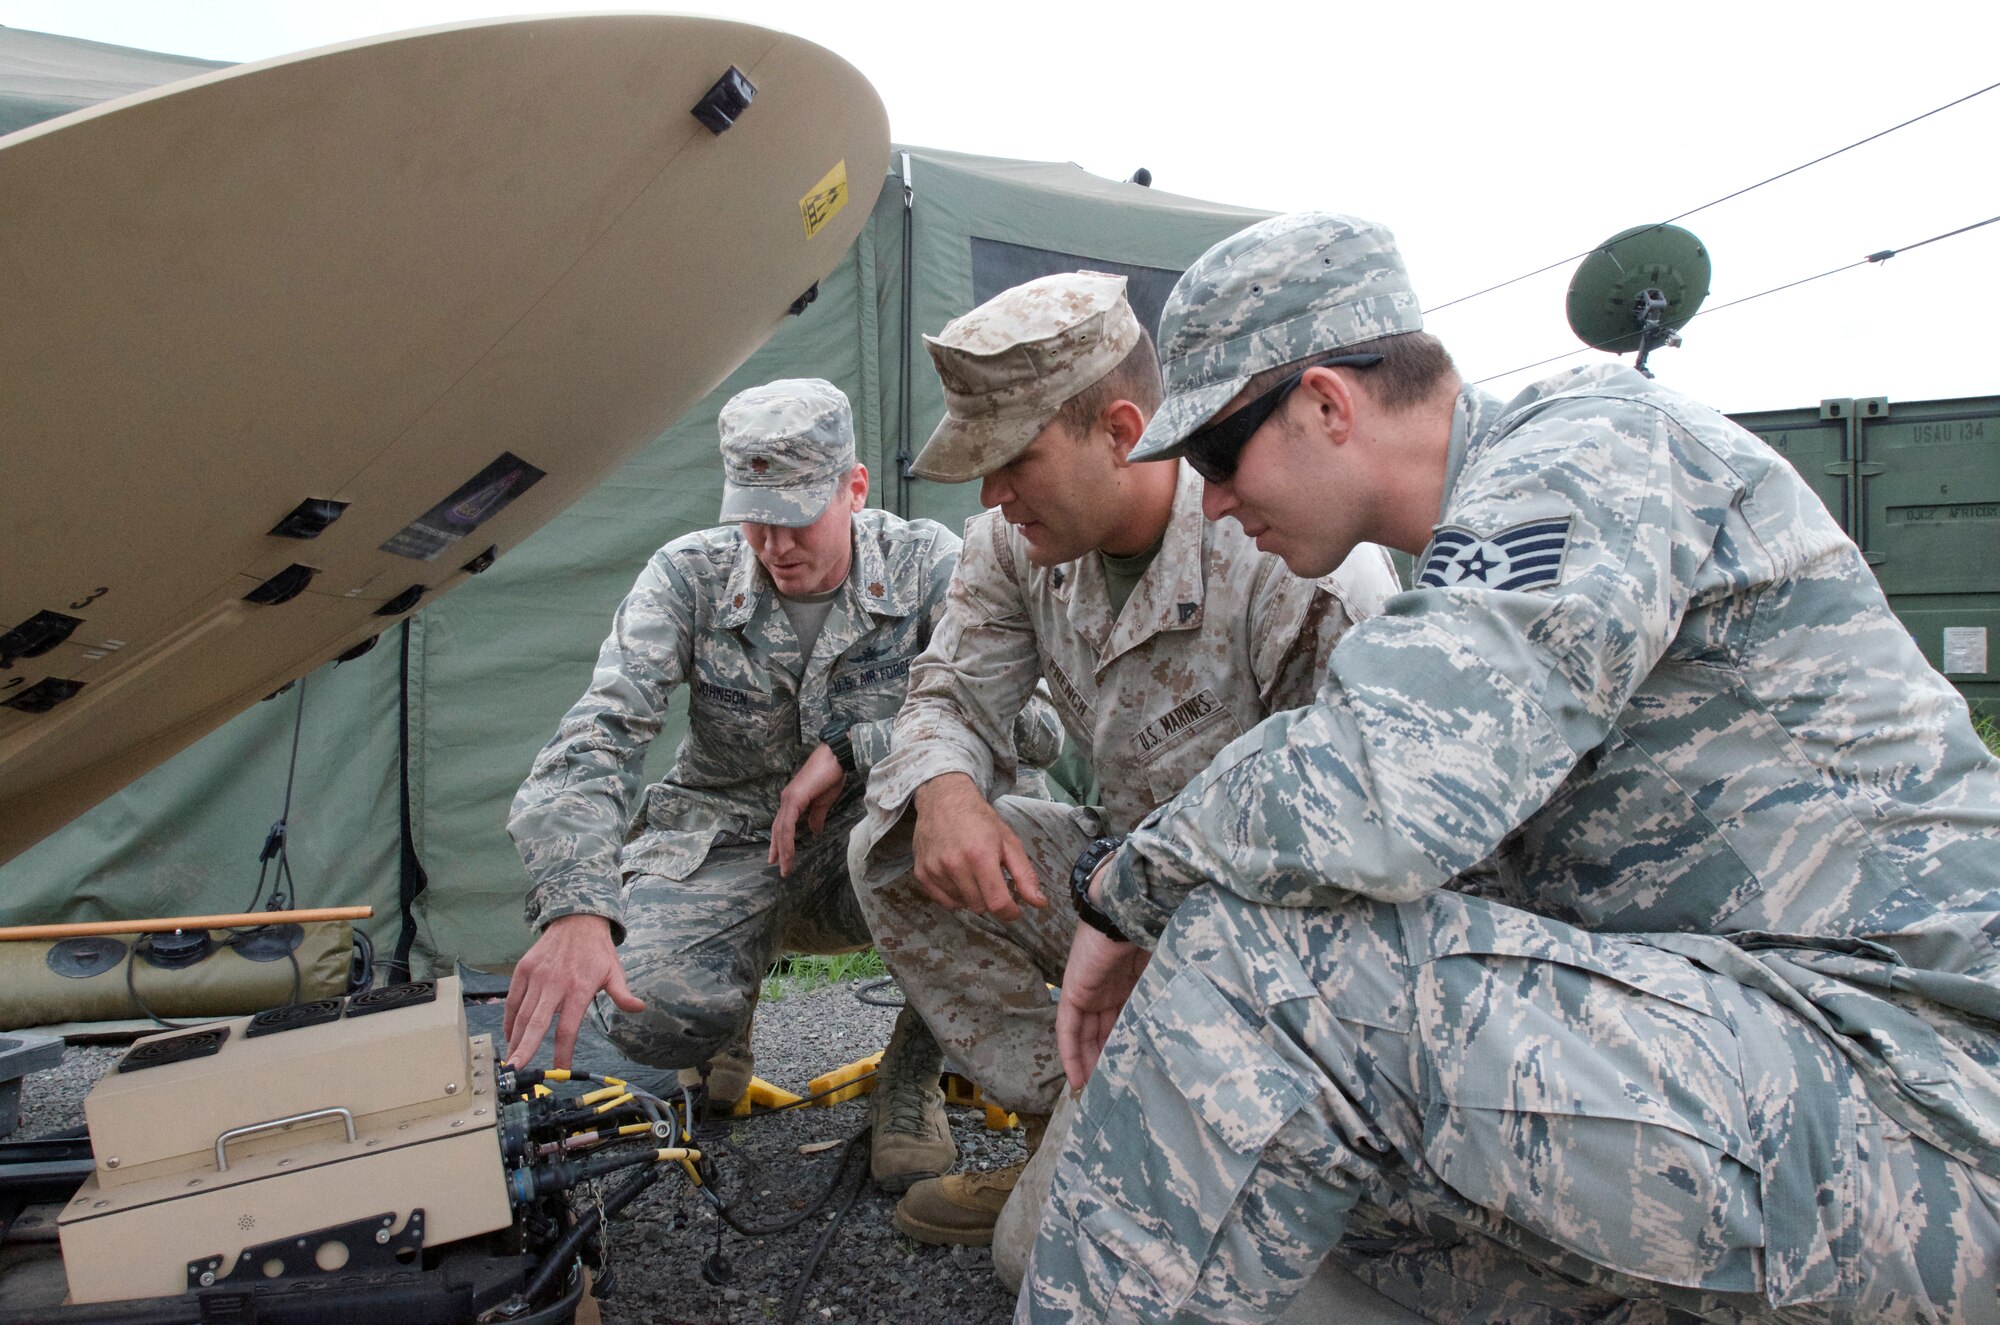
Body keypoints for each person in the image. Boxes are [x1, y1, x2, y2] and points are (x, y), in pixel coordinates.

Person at [1025, 212, 2000, 1323]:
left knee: (1276, 966)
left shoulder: (1588, 446)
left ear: (1325, 404)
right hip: (1785, 1085)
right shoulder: (1471, 554)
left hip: (1921, 1092)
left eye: (1214, 454)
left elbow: (1380, 789)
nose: (1209, 500)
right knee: (1299, 1195)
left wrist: (1121, 884)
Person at [848, 271, 1400, 1255]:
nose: (988, 491)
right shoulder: (1015, 543)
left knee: (1030, 1262)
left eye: (1012, 457)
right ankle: (1071, 1111)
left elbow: (1360, 870)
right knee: (891, 842)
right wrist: (943, 785)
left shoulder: (1288, 558)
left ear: (1119, 427)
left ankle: (1171, 1150)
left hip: (1266, 959)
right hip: (1122, 902)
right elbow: (947, 694)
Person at [502, 377, 1060, 1194]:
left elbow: (1034, 727)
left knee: (1002, 814)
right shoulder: (688, 576)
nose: (774, 543)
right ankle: (730, 1005)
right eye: (753, 515)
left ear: (855, 488)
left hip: (876, 842)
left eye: (798, 515)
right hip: (731, 842)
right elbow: (598, 732)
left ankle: (915, 1064)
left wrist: (857, 745)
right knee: (644, 1010)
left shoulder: (929, 563)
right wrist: (577, 905)